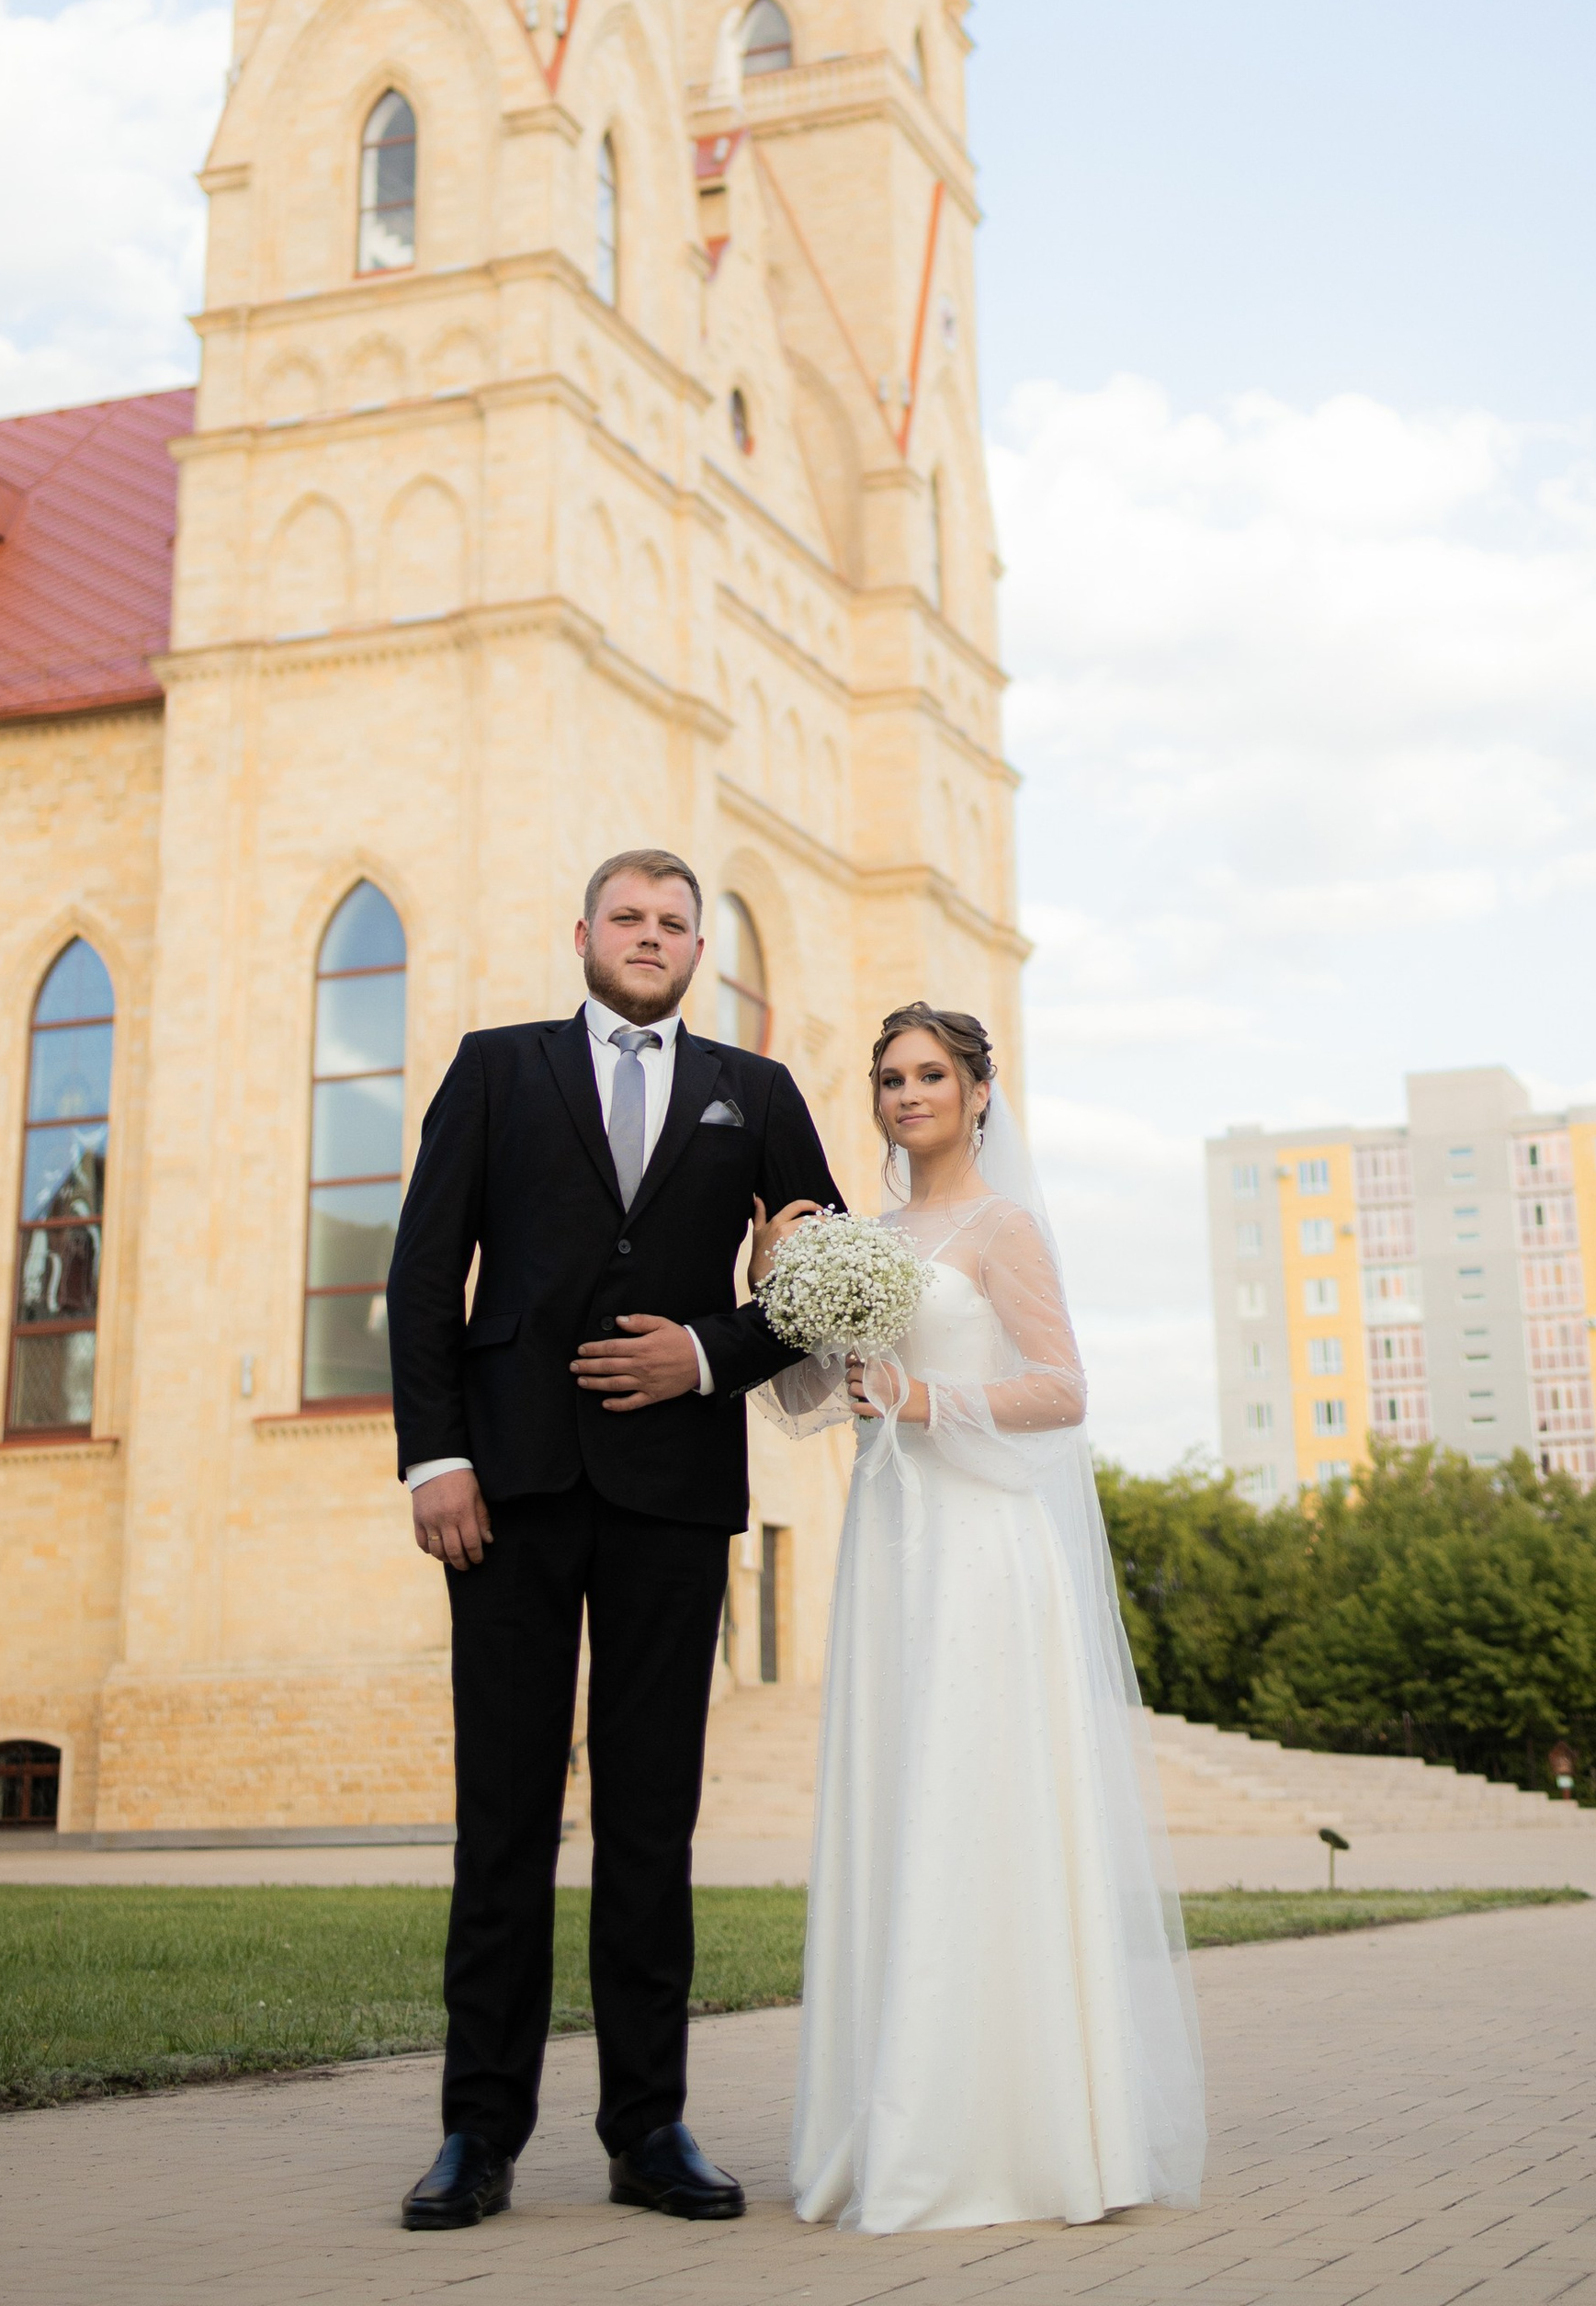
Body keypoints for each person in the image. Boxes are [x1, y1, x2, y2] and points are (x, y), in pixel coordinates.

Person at [384, 849, 840, 2232]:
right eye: (628, 918)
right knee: (504, 1820)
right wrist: (438, 1457)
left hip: (675, 1497)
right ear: (581, 931)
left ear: (701, 948)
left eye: (674, 924)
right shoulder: (494, 1067)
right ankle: (478, 2133)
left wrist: (705, 1356)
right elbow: (422, 1269)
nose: (650, 938)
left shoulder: (753, 1093)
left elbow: (827, 1280)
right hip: (507, 1494)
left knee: (654, 1824)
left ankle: (650, 2128)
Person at [764, 1002, 1207, 2232]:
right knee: (896, 1802)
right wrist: (778, 1286)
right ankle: (891, 2112)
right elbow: (810, 1397)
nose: (908, 1094)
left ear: (975, 1095)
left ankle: (1012, 2132)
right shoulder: (857, 1236)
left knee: (980, 1806)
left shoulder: (1002, 1226)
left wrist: (924, 1397)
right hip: (890, 1547)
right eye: (890, 1077)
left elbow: (1064, 1388)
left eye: (930, 1076)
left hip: (982, 1547)